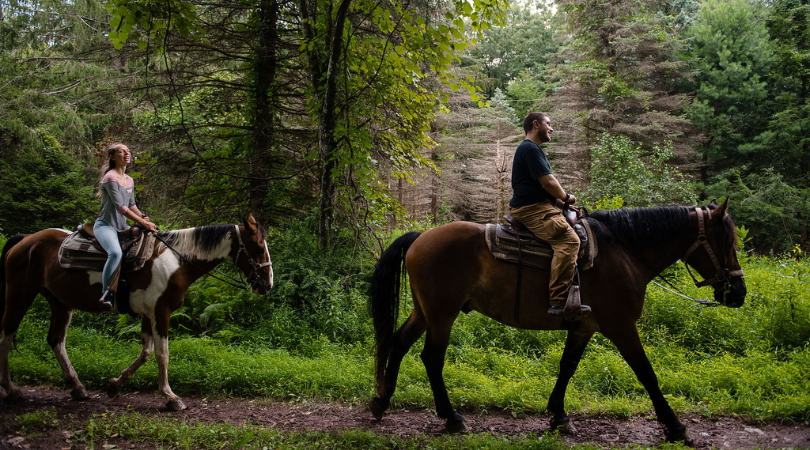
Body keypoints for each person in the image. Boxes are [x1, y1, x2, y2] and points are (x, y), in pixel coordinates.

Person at [508, 112, 580, 316]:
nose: (552, 128)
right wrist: (567, 197)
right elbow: (548, 182)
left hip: (536, 204)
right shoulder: (530, 148)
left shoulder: (531, 149)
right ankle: (558, 301)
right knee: (570, 242)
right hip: (531, 209)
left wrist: (560, 204)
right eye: (548, 124)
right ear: (535, 124)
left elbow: (538, 188)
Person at [95, 142, 157, 310]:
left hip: (122, 227)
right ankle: (107, 292)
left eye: (127, 151)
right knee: (115, 253)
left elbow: (131, 205)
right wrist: (142, 222)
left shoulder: (129, 179)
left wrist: (142, 216)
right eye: (121, 152)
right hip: (106, 226)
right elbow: (120, 207)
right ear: (112, 157)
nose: (126, 153)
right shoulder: (110, 177)